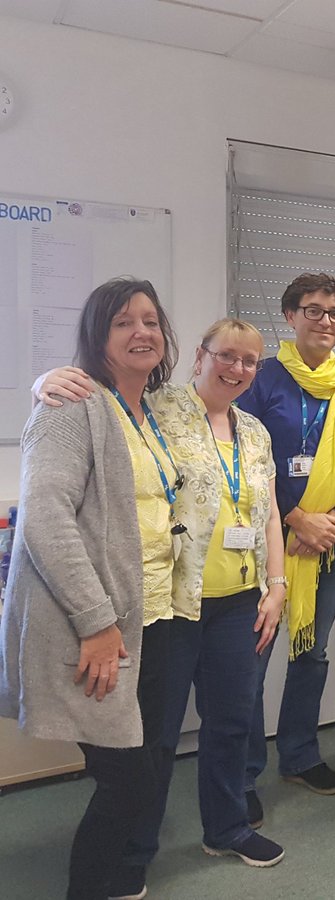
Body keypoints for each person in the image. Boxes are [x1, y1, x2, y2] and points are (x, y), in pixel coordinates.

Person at [33, 319, 290, 888]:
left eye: (250, 362)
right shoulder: (157, 410)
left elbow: (268, 511)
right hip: (173, 603)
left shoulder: (254, 431)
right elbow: (94, 404)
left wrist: (276, 585)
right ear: (200, 355)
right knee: (157, 735)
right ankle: (134, 850)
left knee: (230, 721)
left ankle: (226, 828)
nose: (237, 369)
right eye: (227, 355)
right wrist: (44, 379)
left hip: (240, 601)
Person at [1, 278, 179, 900]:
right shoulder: (71, 404)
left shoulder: (145, 411)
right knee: (128, 781)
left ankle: (113, 882)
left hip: (146, 618)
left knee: (137, 769)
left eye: (151, 321)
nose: (141, 333)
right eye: (123, 322)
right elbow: (45, 517)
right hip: (91, 628)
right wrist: (97, 622)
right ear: (96, 337)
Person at [237, 273, 335, 813]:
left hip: (331, 541)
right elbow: (243, 462)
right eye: (314, 311)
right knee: (252, 656)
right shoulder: (261, 379)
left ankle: (298, 755)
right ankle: (244, 773)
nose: (326, 321)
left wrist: (334, 520)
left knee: (312, 651)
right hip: (265, 540)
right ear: (290, 316)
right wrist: (297, 519)